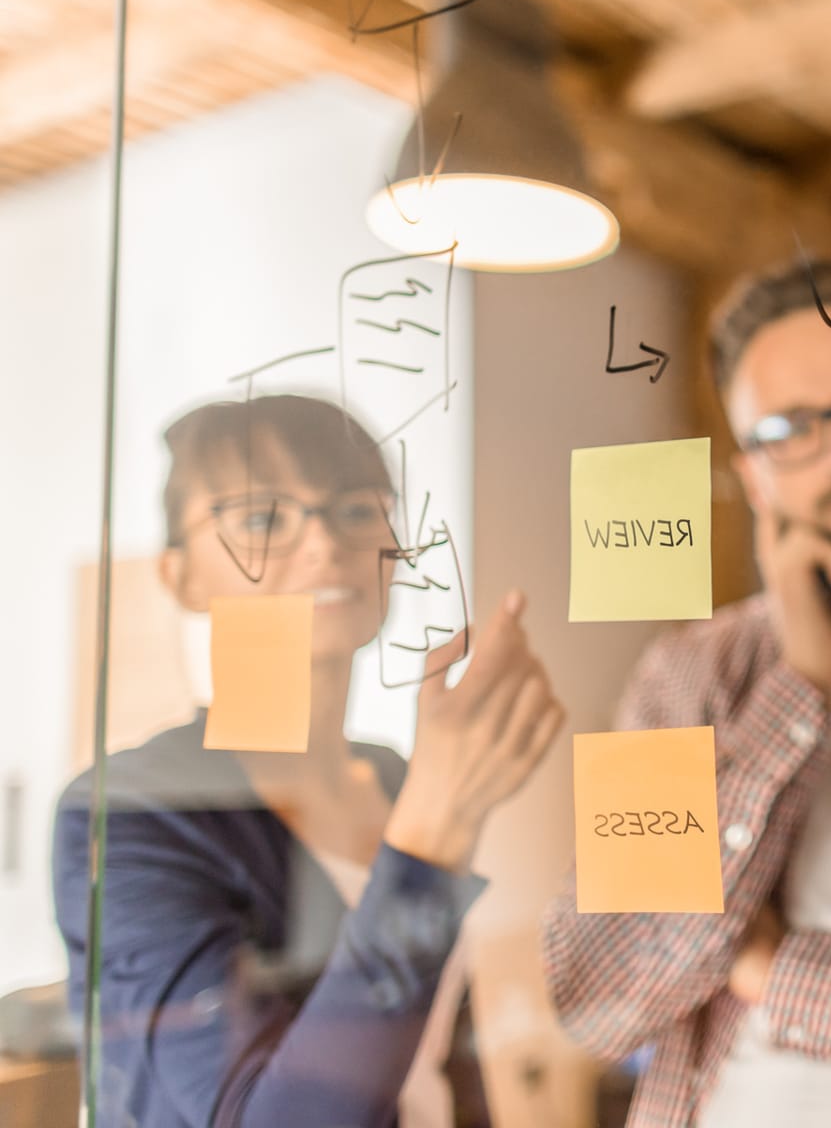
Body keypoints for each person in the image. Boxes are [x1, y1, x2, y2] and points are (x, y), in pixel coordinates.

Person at [540, 261, 831, 1128]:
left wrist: (775, 970)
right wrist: (805, 689)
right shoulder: (692, 672)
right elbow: (598, 995)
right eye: (790, 428)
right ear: (753, 476)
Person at [52, 394, 564, 1128]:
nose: (323, 545)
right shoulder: (132, 813)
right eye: (262, 519)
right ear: (179, 576)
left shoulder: (393, 776)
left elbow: (442, 1056)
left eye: (356, 510)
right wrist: (438, 826)